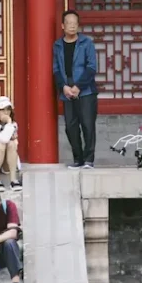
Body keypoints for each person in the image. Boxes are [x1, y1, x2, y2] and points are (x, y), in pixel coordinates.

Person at [53, 10, 98, 169]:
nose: (72, 26)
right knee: (70, 127)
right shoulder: (58, 45)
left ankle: (88, 160)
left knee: (87, 125)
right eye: (69, 23)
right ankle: (78, 159)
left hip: (85, 91)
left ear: (78, 25)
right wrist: (63, 86)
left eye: (75, 24)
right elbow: (56, 69)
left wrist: (78, 87)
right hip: (67, 91)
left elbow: (92, 67)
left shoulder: (87, 43)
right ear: (62, 26)